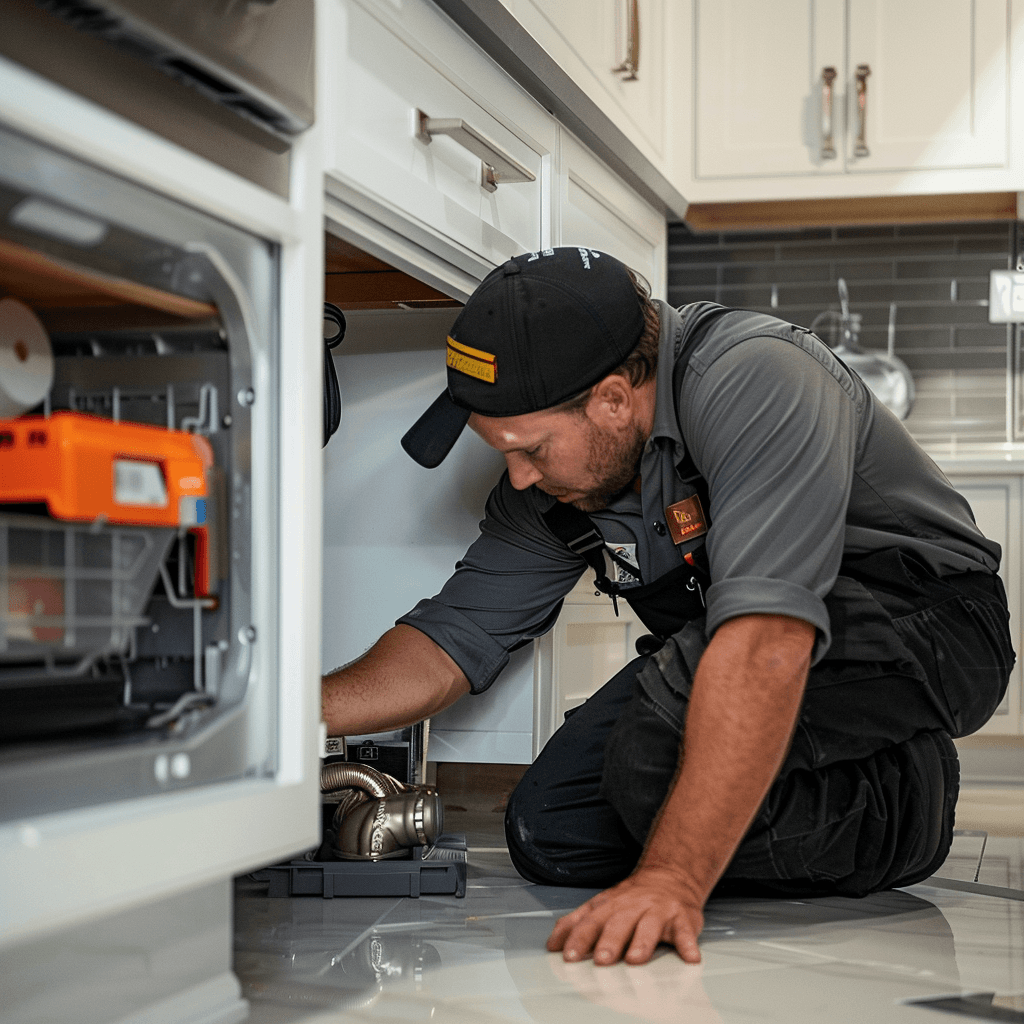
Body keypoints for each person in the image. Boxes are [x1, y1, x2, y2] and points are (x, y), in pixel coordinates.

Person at [321, 246, 1014, 967]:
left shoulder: (755, 378)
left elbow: (766, 644)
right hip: (733, 644)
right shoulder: (560, 484)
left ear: (614, 400)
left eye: (530, 449)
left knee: (656, 750)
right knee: (550, 826)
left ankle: (910, 794)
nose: (517, 479)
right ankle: (832, 763)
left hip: (925, 618)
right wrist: (289, 716)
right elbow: (451, 640)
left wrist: (672, 880)